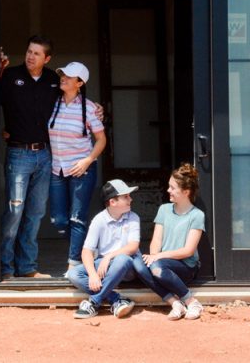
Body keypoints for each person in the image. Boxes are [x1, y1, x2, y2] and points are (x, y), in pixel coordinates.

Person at [0, 36, 59, 279]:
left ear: (47, 59)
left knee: (35, 213)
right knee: (14, 211)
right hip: (18, 152)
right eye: (29, 51)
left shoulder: (54, 80)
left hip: (45, 154)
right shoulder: (11, 76)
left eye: (36, 53)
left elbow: (74, 99)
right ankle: (4, 267)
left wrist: (95, 108)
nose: (30, 56)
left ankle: (27, 267)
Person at [47, 62, 106, 276]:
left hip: (82, 169)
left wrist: (88, 160)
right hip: (57, 169)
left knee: (77, 218)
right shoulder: (52, 103)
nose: (63, 78)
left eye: (69, 76)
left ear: (79, 83)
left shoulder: (90, 108)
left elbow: (101, 140)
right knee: (59, 220)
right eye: (62, 74)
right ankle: (87, 249)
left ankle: (74, 263)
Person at [132, 163, 206, 320]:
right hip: (160, 263)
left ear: (186, 192)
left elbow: (188, 251)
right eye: (169, 186)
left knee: (157, 266)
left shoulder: (197, 215)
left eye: (173, 188)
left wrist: (158, 258)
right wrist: (153, 257)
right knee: (137, 263)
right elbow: (156, 239)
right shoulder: (164, 209)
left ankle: (192, 302)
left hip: (185, 266)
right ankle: (175, 303)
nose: (168, 191)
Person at [67, 179, 140, 319]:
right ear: (113, 202)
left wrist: (108, 257)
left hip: (126, 268)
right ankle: (116, 299)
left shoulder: (133, 217)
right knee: (73, 274)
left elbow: (132, 247)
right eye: (126, 196)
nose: (130, 199)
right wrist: (93, 274)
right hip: (105, 269)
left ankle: (94, 302)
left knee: (122, 259)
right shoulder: (99, 220)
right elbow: (87, 251)